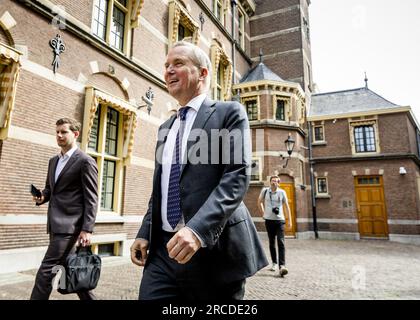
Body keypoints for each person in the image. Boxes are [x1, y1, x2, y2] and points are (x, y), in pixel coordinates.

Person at [130, 41, 268, 300]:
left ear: (203, 73)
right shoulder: (165, 128)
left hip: (213, 252)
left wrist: (197, 230)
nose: (168, 70)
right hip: (163, 253)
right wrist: (145, 231)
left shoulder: (229, 113)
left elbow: (236, 176)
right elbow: (161, 188)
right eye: (166, 66)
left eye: (178, 64)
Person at [30, 118, 98, 300]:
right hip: (54, 225)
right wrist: (42, 196)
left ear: (75, 134)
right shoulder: (53, 161)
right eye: (57, 132)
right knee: (73, 271)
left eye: (63, 132)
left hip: (70, 227)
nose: (59, 135)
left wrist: (86, 229)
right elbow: (50, 189)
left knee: (46, 271)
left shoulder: (85, 161)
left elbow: (91, 198)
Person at [257, 175, 292, 277]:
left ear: (278, 183)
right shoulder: (265, 191)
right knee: (272, 242)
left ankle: (282, 266)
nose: (274, 183)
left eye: (276, 181)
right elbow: (259, 202)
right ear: (270, 182)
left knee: (281, 242)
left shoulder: (282, 192)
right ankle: (274, 263)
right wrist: (263, 213)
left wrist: (289, 220)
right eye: (272, 181)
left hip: (280, 220)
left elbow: (286, 206)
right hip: (269, 220)